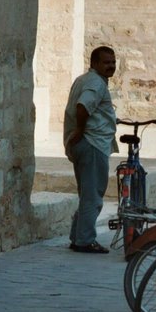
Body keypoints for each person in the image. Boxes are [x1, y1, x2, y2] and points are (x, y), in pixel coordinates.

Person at [64, 46, 118, 253]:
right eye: (106, 62)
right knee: (93, 195)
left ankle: (78, 236)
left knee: (87, 192)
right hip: (92, 143)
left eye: (113, 62)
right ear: (94, 63)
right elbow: (83, 106)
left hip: (83, 143)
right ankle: (85, 240)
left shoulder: (84, 79)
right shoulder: (96, 83)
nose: (111, 66)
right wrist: (80, 129)